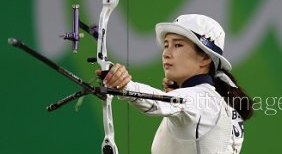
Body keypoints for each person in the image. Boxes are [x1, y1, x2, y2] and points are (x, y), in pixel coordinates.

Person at [99, 14, 253, 154]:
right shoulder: (217, 99)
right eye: (166, 45)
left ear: (205, 58)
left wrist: (125, 86)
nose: (166, 53)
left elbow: (157, 102)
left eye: (178, 45)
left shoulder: (200, 98)